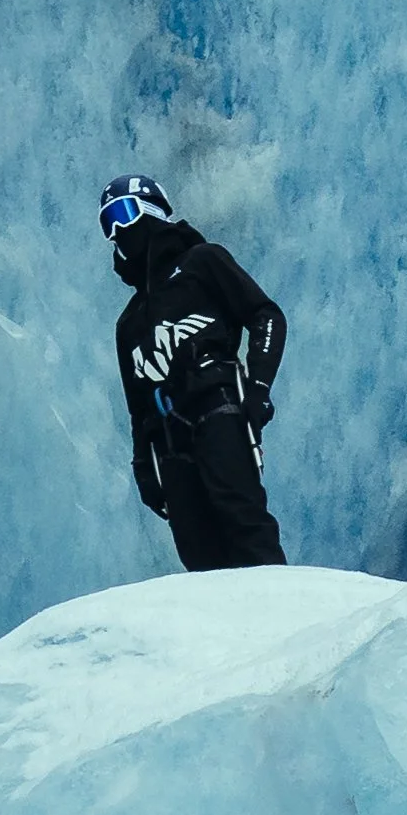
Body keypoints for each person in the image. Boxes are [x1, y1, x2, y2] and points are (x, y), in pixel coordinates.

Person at [100, 174, 288, 571]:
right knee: (197, 553)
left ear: (152, 210)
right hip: (167, 443)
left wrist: (258, 388)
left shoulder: (202, 262)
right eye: (107, 223)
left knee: (244, 522)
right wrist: (142, 469)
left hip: (217, 411)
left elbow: (265, 315)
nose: (117, 231)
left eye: (123, 213)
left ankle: (282, 617)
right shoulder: (128, 324)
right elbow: (136, 408)